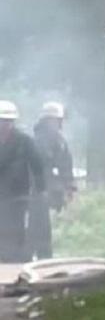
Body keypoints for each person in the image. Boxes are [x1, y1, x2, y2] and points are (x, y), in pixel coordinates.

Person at [29, 101, 75, 260]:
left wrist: (69, 187)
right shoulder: (37, 142)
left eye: (58, 121)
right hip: (34, 190)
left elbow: (66, 166)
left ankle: (43, 257)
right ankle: (32, 256)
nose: (57, 124)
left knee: (42, 227)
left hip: (48, 191)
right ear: (46, 121)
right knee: (36, 225)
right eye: (54, 121)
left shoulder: (60, 142)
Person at [0, 100, 45, 264]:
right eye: (2, 121)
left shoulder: (24, 141)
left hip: (18, 194)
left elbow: (37, 164)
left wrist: (41, 189)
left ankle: (15, 260)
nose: (5, 125)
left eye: (8, 121)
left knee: (17, 227)